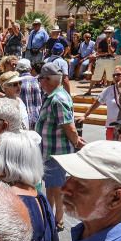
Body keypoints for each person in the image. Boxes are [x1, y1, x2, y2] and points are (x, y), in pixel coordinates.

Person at [36, 63, 84, 231]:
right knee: (52, 186)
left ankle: (58, 220)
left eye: (41, 79)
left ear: (48, 80)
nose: (40, 83)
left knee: (57, 188)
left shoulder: (57, 99)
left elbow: (68, 126)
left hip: (57, 153)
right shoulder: (54, 95)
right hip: (52, 152)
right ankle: (51, 216)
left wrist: (77, 142)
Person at [82, 67, 121, 141]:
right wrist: (85, 115)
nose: (115, 77)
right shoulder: (108, 90)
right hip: (111, 126)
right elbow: (96, 103)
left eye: (118, 74)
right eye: (113, 75)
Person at [16, 59, 44, 129]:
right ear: (30, 68)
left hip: (23, 119)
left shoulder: (16, 82)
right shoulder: (38, 80)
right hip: (38, 117)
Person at [87, 26, 117, 91]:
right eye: (106, 33)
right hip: (101, 60)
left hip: (110, 60)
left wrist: (109, 45)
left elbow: (111, 52)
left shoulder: (114, 42)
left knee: (110, 77)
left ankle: (107, 91)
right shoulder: (101, 42)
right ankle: (89, 91)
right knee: (96, 76)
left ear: (112, 34)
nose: (107, 34)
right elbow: (99, 53)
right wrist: (107, 53)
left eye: (109, 33)